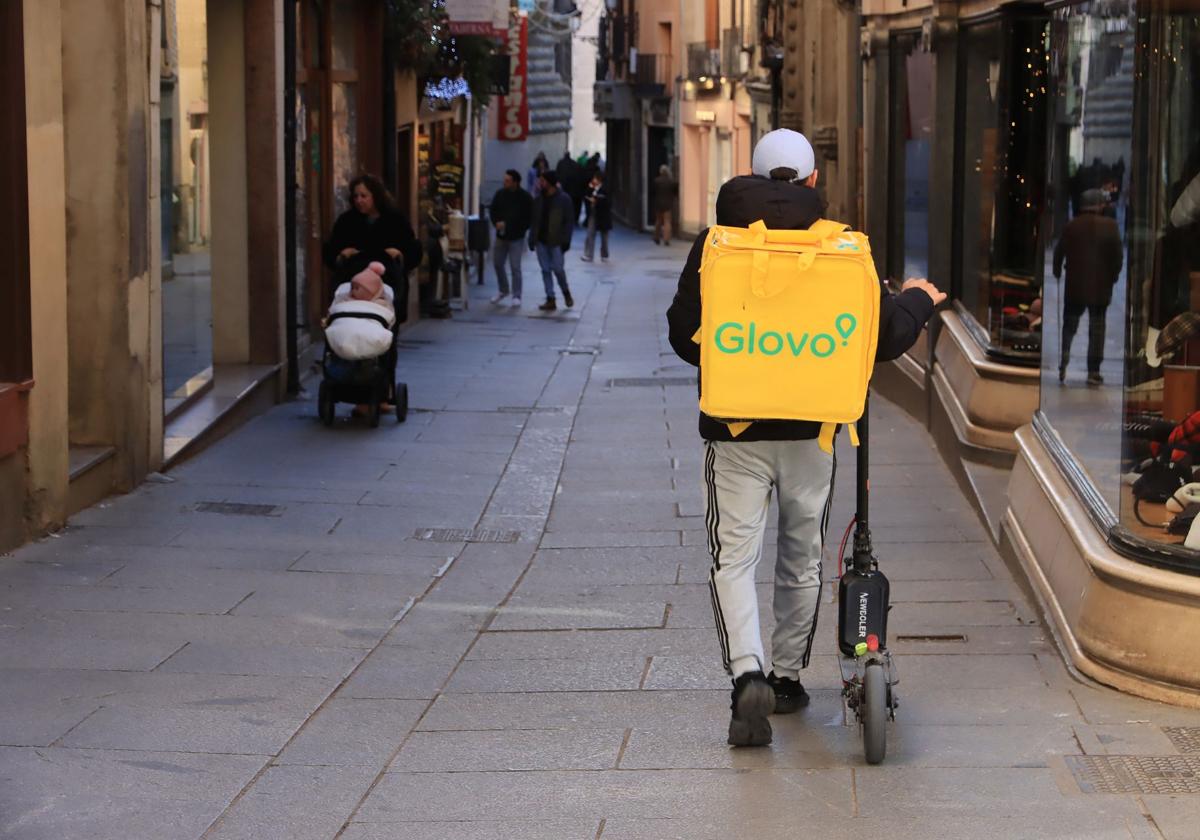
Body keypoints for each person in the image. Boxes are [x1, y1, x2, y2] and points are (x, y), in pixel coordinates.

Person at [666, 129, 945, 747]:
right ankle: (788, 678)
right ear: (814, 181)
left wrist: (741, 358)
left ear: (756, 177)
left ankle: (746, 676)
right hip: (814, 429)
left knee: (733, 558)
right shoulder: (844, 247)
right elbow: (878, 341)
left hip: (734, 430)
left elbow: (684, 336)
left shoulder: (716, 245)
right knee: (803, 554)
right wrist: (919, 301)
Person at [322, 174, 421, 315]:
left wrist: (399, 254)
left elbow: (413, 249)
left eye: (363, 196)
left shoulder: (395, 219)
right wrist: (342, 255)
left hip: (388, 282)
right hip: (354, 283)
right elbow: (331, 249)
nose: (359, 200)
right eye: (356, 196)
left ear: (375, 196)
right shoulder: (347, 221)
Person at [1053, 188, 1123, 385]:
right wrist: (1113, 276)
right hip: (1100, 288)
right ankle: (1093, 370)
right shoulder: (1111, 226)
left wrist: (1058, 271)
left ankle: (1064, 359)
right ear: (1099, 205)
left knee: (1069, 325)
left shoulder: (1071, 226)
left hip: (1074, 287)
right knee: (1097, 328)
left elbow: (1059, 253)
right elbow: (1117, 257)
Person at [323, 261, 395, 361]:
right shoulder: (344, 299)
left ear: (371, 290)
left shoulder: (380, 304)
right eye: (352, 287)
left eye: (357, 288)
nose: (352, 291)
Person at [528, 170, 575, 312]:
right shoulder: (539, 200)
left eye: (542, 181)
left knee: (558, 269)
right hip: (541, 240)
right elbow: (534, 220)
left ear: (550, 182)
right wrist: (532, 238)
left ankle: (566, 292)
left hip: (556, 241)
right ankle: (550, 298)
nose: (539, 183)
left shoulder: (564, 199)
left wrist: (566, 240)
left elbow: (569, 221)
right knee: (545, 270)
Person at [489, 169, 534, 307]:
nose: (505, 182)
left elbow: (528, 217)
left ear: (515, 182)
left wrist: (516, 227)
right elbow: (493, 210)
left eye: (508, 180)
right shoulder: (500, 194)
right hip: (501, 235)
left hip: (516, 237)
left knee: (515, 267)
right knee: (497, 263)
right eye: (505, 180)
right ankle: (503, 290)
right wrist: (496, 222)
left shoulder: (525, 197)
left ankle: (517, 294)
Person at [582, 170, 611, 262]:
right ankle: (589, 255)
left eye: (595, 178)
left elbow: (607, 201)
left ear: (599, 179)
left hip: (603, 215)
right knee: (590, 234)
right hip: (593, 213)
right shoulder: (592, 187)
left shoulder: (605, 188)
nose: (593, 180)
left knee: (604, 237)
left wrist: (596, 200)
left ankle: (604, 255)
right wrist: (590, 188)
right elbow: (586, 196)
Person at [652, 164, 677, 245]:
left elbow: (653, 192)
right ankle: (666, 239)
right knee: (667, 222)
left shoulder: (656, 181)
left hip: (658, 204)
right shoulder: (671, 182)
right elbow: (675, 193)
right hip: (668, 204)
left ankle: (656, 237)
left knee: (658, 221)